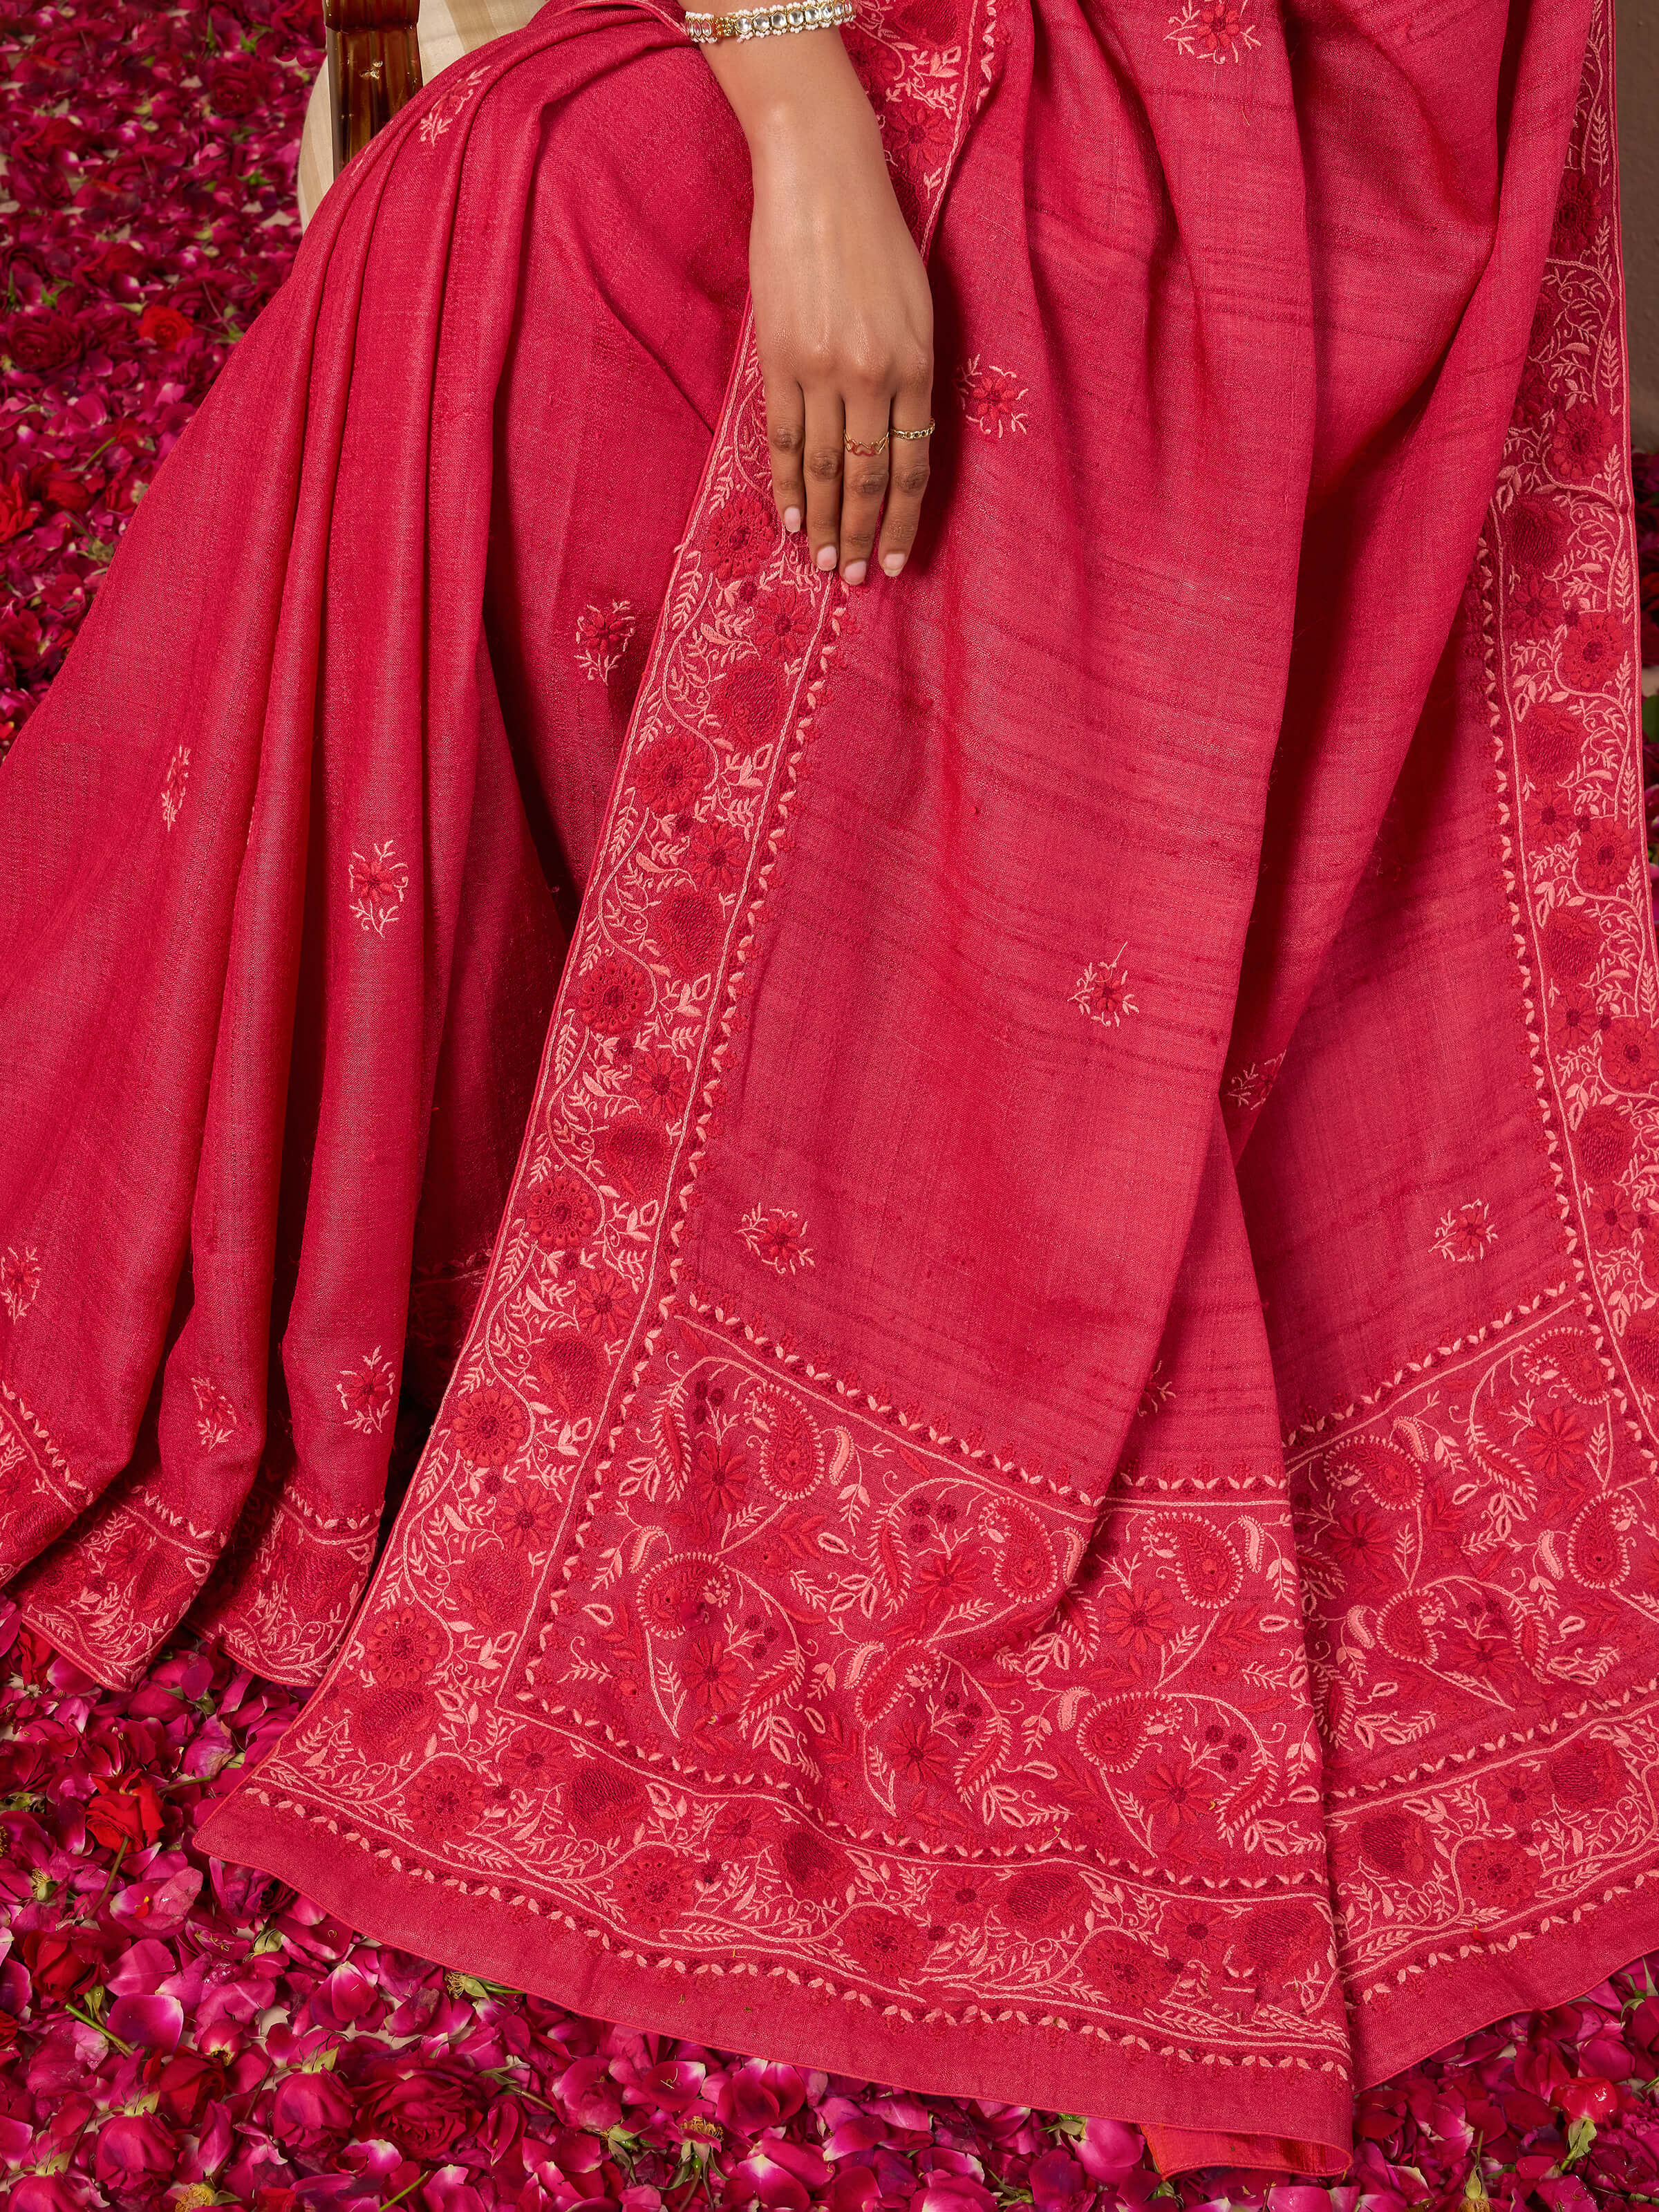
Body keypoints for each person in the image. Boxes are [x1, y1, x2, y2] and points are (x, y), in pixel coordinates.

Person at [0, 0, 1650, 2173]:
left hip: (1335, 86)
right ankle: (440, 1217)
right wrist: (799, 115)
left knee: (564, 205)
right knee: (520, 201)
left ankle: (736, 1202)